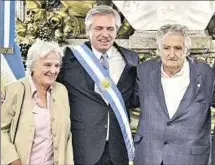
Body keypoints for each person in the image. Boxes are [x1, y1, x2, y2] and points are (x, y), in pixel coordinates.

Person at [57, 5, 139, 165]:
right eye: (98, 28)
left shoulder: (131, 59)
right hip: (83, 147)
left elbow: (135, 98)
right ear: (88, 31)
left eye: (110, 28)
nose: (105, 34)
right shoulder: (68, 59)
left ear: (117, 30)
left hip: (118, 149)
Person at [133, 24, 215, 165]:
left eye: (178, 48)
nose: (171, 54)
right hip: (149, 156)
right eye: (166, 48)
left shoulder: (206, 73)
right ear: (159, 49)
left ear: (186, 50)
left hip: (191, 158)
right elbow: (130, 100)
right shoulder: (144, 70)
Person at [1, 40, 74, 165]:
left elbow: (66, 137)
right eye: (47, 65)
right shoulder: (15, 90)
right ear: (33, 66)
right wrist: (12, 159)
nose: (53, 70)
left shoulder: (61, 91)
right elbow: (2, 129)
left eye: (57, 66)